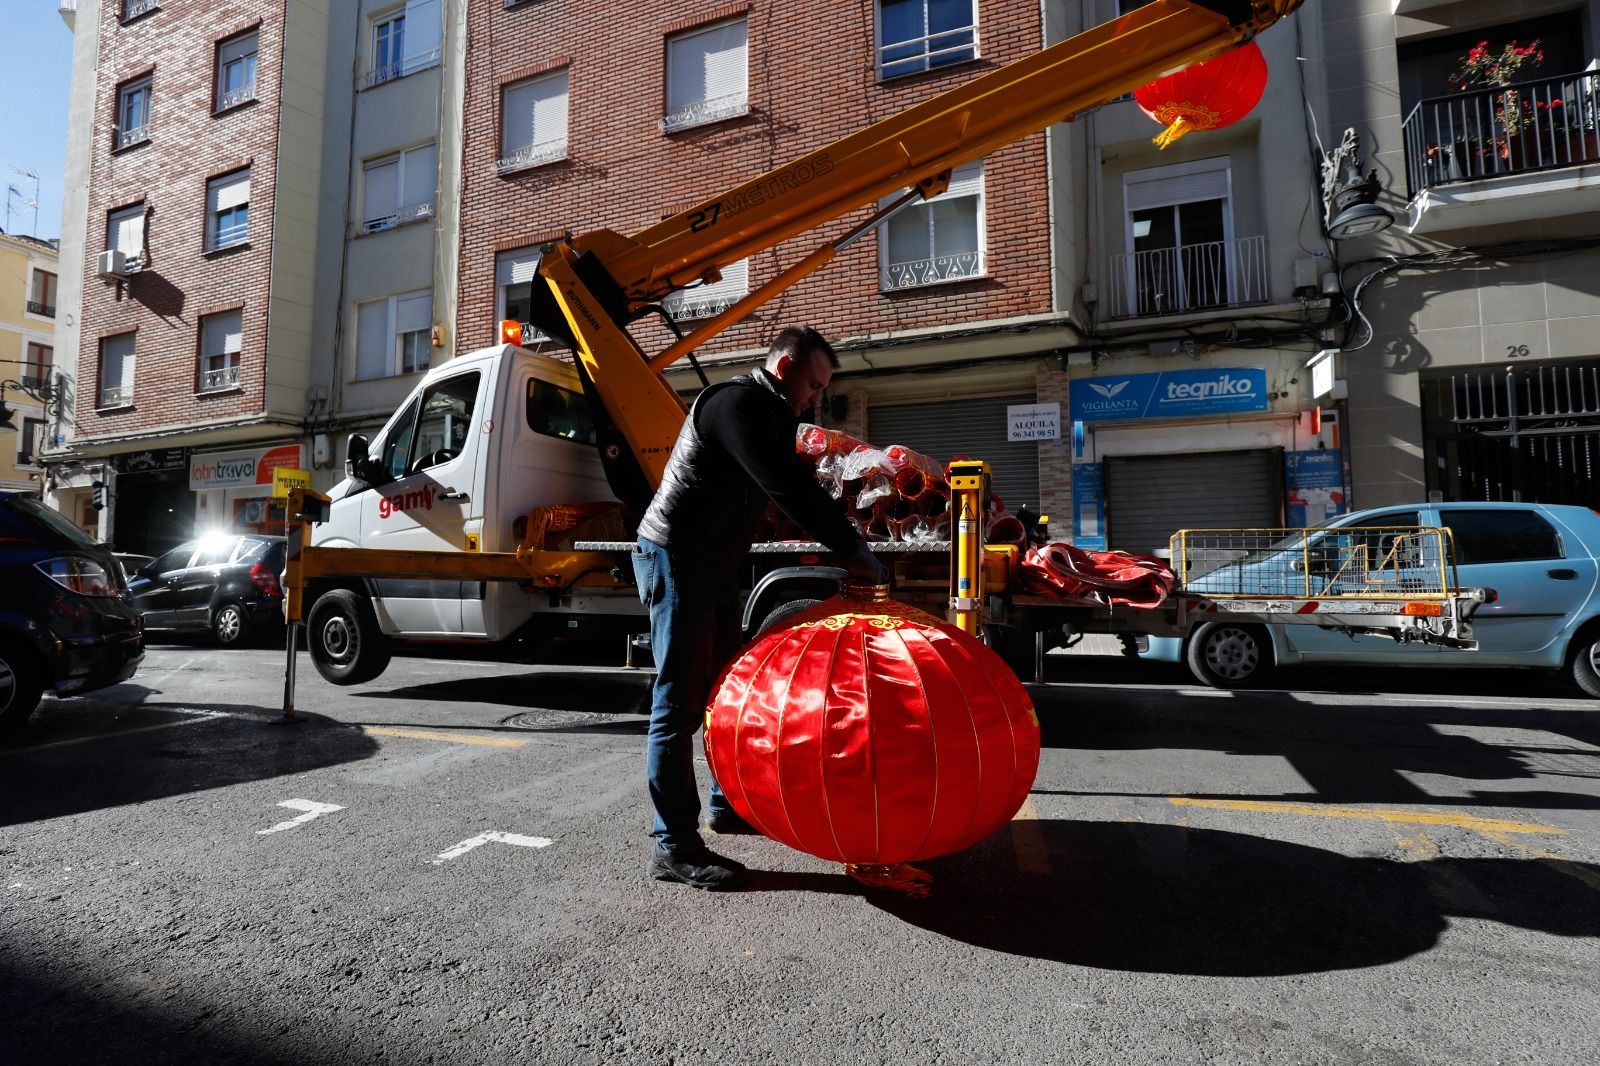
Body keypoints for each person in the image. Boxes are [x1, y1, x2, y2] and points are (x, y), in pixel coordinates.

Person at [633, 326, 889, 891]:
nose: (815, 397)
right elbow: (785, 489)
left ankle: (728, 805)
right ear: (786, 365)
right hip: (675, 557)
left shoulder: (776, 416)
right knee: (677, 704)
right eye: (814, 383)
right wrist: (853, 550)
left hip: (714, 563)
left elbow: (800, 486)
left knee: (729, 691)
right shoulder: (736, 404)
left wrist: (849, 531)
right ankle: (672, 847)